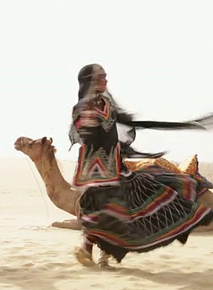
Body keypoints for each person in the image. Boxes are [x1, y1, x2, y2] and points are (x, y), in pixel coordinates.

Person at [69, 63, 213, 269]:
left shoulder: (106, 103)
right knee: (105, 211)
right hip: (96, 170)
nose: (106, 80)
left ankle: (96, 254)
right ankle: (91, 252)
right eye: (101, 76)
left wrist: (185, 124)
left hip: (115, 166)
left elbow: (124, 121)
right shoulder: (83, 109)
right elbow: (88, 137)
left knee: (122, 207)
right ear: (91, 81)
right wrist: (90, 124)